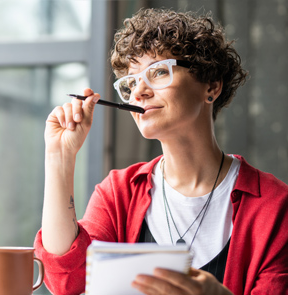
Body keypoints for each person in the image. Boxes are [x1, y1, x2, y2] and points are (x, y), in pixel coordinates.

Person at [34, 8, 288, 295]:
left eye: (157, 72)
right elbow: (65, 281)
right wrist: (60, 158)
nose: (138, 92)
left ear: (212, 86)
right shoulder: (118, 194)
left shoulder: (276, 207)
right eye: (130, 82)